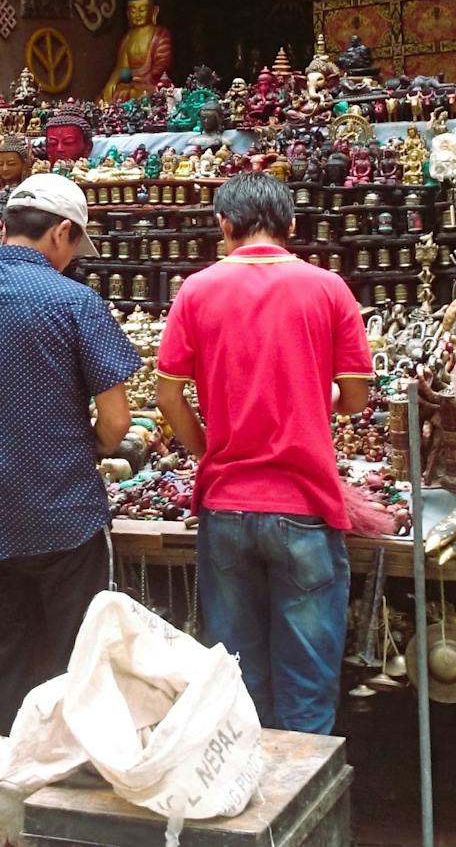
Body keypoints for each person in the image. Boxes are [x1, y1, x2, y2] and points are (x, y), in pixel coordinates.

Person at [153, 172, 373, 733]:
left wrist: (208, 450)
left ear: (223, 225)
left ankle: (245, 809)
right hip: (304, 506)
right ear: (291, 226)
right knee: (306, 691)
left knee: (237, 689)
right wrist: (308, 392)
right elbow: (353, 400)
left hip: (226, 506)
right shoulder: (329, 289)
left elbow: (167, 395)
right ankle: (302, 810)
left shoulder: (196, 291)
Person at [0, 174, 140, 739]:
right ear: (61, 233)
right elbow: (117, 422)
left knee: (0, 666)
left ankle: (0, 786)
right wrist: (87, 447)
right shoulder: (75, 302)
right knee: (77, 664)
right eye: (74, 246)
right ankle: (69, 793)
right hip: (64, 517)